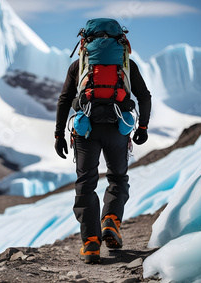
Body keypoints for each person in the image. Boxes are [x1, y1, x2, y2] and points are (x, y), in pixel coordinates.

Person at [54, 40, 152, 263]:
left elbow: (64, 99)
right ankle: (110, 221)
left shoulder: (78, 66)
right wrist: (143, 127)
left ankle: (90, 245)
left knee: (86, 183)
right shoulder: (127, 66)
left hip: (85, 129)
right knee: (118, 178)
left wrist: (59, 134)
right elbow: (144, 96)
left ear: (85, 45)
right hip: (118, 129)